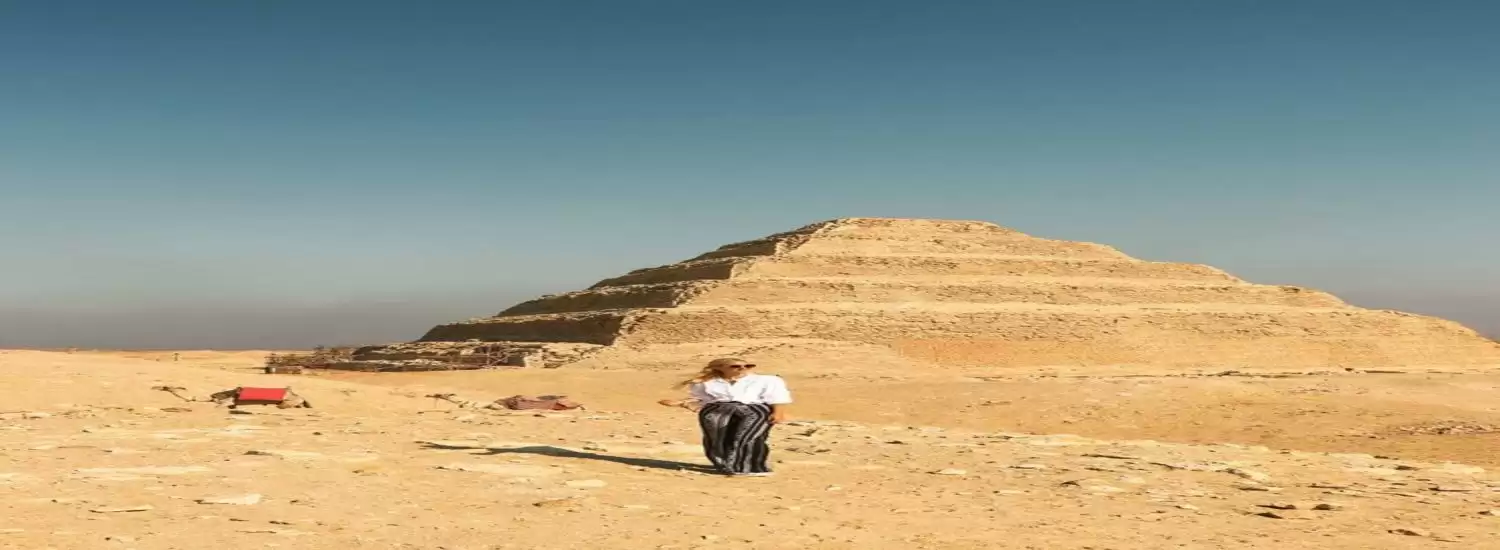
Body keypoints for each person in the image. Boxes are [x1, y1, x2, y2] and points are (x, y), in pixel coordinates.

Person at [673, 357, 791, 477]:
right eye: (735, 366)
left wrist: (778, 413)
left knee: (749, 435)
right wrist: (685, 404)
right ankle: (724, 464)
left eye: (748, 366)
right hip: (718, 409)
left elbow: (778, 396)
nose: (742, 368)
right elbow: (703, 399)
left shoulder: (767, 380)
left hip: (754, 408)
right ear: (720, 368)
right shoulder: (704, 382)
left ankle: (749, 467)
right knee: (717, 437)